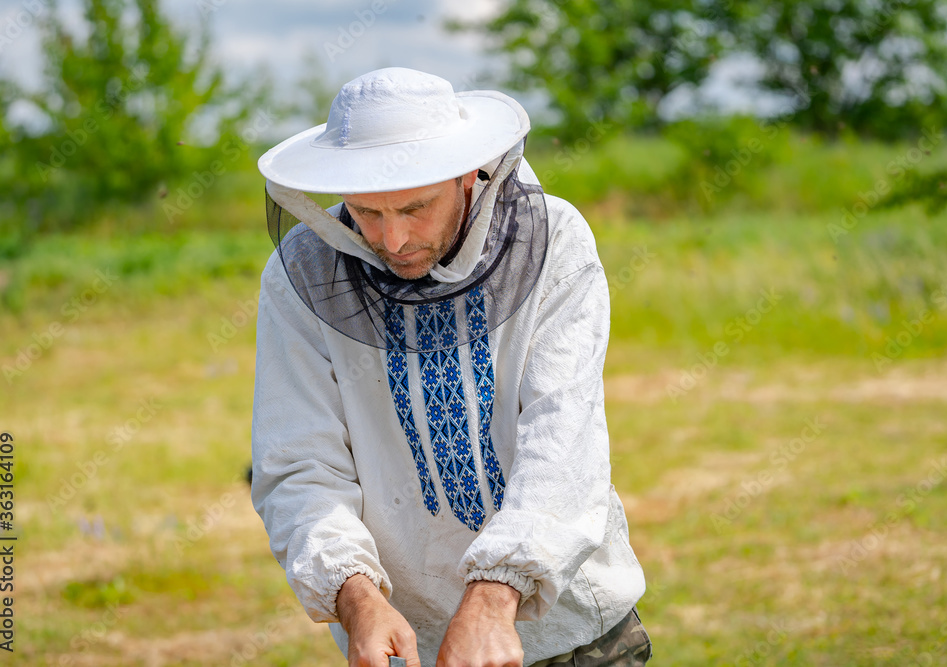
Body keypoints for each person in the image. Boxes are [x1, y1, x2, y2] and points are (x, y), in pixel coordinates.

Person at [251, 67, 651, 667]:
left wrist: (494, 599)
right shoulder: (302, 271)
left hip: (574, 634)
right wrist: (354, 597)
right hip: (400, 641)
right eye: (367, 212)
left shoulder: (555, 238)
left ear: (469, 173)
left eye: (415, 208)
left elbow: (563, 441)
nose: (392, 239)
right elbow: (299, 464)